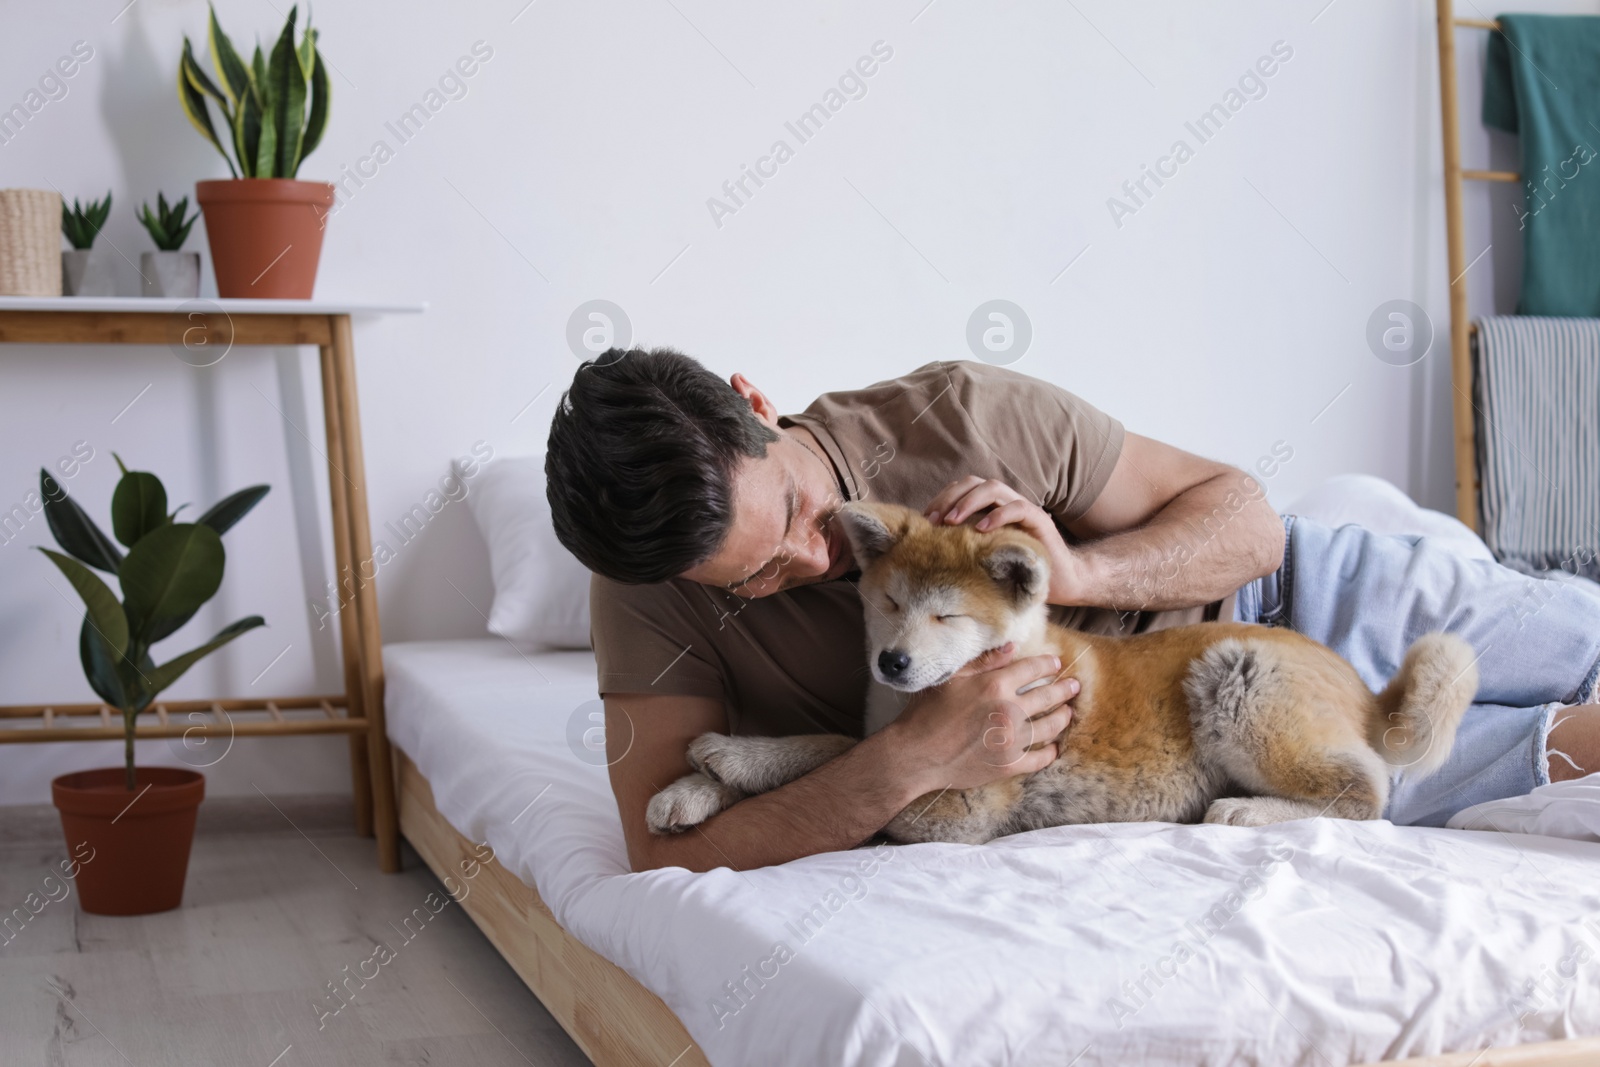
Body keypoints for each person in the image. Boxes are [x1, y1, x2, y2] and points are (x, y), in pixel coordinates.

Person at [544, 347, 1600, 872]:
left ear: (757, 404)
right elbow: (667, 852)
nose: (809, 557)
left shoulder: (960, 411)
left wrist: (1079, 575)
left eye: (793, 513)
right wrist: (911, 759)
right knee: (1566, 752)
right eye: (752, 577)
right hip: (1197, 748)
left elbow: (1248, 522)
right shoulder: (648, 593)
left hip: (1296, 591)